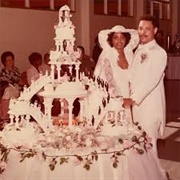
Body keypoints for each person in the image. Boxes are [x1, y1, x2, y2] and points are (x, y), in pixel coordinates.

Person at [123, 15, 167, 164]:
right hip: (135, 107)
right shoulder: (138, 49)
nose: (143, 32)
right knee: (137, 146)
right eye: (140, 28)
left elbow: (151, 80)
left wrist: (133, 99)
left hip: (149, 107)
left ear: (155, 30)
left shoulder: (159, 52)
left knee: (149, 148)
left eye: (147, 29)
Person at [94, 25, 139, 98]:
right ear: (111, 40)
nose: (119, 41)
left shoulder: (130, 56)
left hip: (129, 98)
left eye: (122, 38)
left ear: (126, 39)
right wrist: (117, 100)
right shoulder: (107, 57)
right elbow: (106, 81)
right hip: (113, 99)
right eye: (115, 38)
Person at [0, 51, 21, 121]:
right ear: (4, 62)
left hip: (16, 88)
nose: (11, 62)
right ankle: (5, 117)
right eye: (8, 60)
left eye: (12, 59)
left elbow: (19, 80)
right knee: (8, 92)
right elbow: (6, 81)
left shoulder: (16, 70)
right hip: (7, 90)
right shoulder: (3, 71)